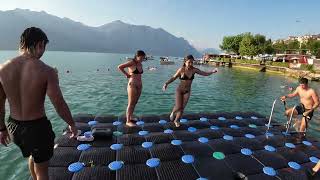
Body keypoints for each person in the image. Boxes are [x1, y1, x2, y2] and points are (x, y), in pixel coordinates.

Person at [0, 27, 78, 180]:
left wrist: (1, 128)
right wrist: (72, 124)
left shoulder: (3, 69)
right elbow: (59, 103)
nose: (43, 52)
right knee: (43, 171)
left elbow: (0, 102)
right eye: (43, 47)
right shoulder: (47, 71)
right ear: (39, 44)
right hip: (37, 128)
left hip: (14, 128)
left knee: (33, 155)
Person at [162, 55, 218, 127]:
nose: (191, 64)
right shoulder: (181, 69)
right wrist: (166, 83)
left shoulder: (194, 70)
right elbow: (173, 78)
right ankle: (173, 112)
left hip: (187, 91)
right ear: (185, 62)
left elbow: (204, 73)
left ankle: (177, 120)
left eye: (192, 62)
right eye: (189, 62)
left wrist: (212, 71)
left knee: (182, 108)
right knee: (178, 106)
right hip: (179, 90)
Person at [118, 50, 146, 127]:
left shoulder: (140, 64)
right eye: (141, 58)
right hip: (132, 84)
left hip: (140, 85)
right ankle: (128, 121)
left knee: (135, 102)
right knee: (130, 103)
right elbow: (120, 67)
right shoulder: (131, 62)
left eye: (143, 58)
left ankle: (130, 116)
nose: (142, 59)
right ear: (137, 56)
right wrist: (127, 74)